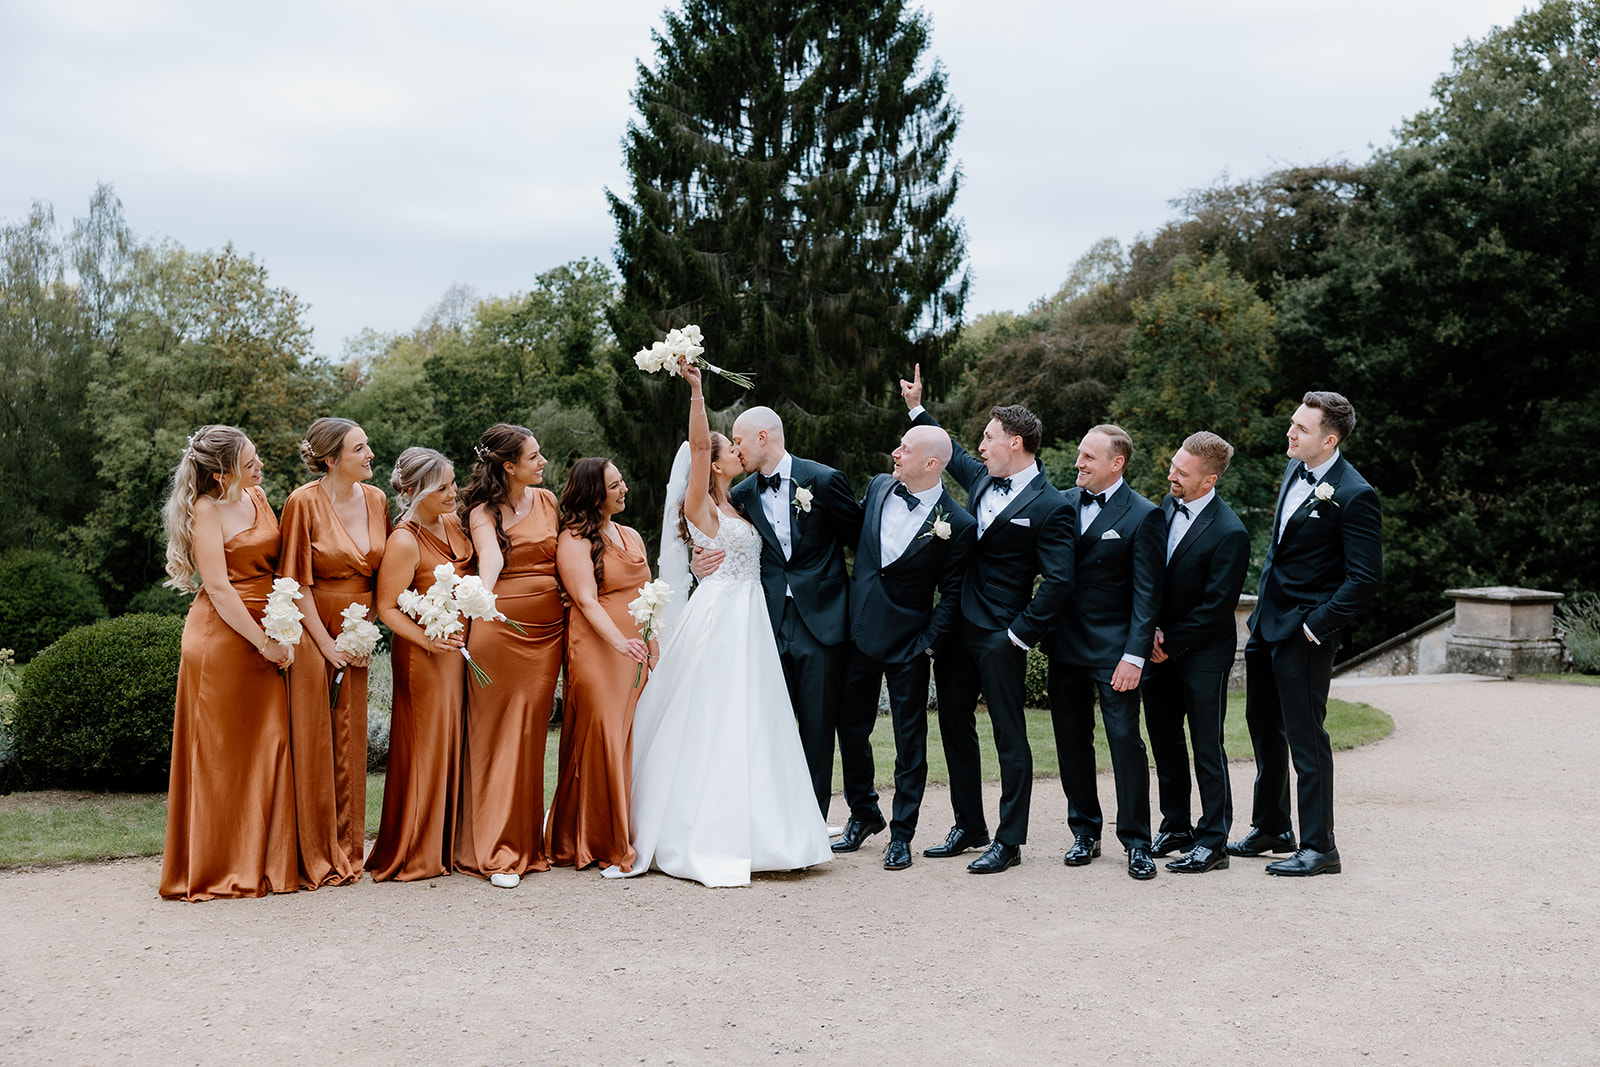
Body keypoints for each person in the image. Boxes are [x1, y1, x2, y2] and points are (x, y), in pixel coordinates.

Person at [606, 358, 834, 886]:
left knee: (758, 718)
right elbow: (699, 446)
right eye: (728, 447)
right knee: (717, 716)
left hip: (752, 618)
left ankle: (772, 831)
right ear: (711, 464)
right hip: (721, 618)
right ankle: (709, 829)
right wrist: (696, 391)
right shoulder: (701, 507)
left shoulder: (741, 504)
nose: (736, 451)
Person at [901, 365, 1076, 874]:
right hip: (956, 629)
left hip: (1002, 636)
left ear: (1015, 443)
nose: (980, 446)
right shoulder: (981, 479)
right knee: (954, 726)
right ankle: (969, 825)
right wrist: (917, 408)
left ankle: (1009, 840)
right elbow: (950, 450)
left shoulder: (1051, 505)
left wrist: (1019, 635)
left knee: (1009, 735)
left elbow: (1059, 581)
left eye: (989, 437)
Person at [1231, 391, 1382, 876]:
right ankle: (1272, 827)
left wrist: (1315, 626)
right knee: (1263, 727)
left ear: (1329, 440)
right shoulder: (1294, 469)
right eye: (1293, 423)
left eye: (1301, 428)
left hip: (1305, 633)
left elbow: (1364, 579)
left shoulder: (1355, 494)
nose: (1290, 433)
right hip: (1265, 624)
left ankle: (1320, 847)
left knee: (1305, 737)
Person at [159, 425, 298, 900]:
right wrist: (264, 643)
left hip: (267, 627)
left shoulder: (257, 496)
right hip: (223, 637)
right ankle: (218, 864)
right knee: (221, 755)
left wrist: (285, 624)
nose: (260, 467)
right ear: (221, 474)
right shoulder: (206, 509)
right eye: (249, 462)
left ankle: (265, 861)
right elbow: (217, 588)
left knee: (270, 742)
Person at [834, 424, 977, 870]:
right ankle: (863, 813)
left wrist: (927, 645)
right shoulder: (879, 487)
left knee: (909, 741)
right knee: (851, 729)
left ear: (931, 463)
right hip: (859, 634)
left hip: (909, 645)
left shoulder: (958, 523)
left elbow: (951, 595)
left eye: (905, 449)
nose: (895, 453)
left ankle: (902, 834)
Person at [723, 405, 864, 818]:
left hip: (822, 621)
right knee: (771, 724)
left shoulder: (824, 480)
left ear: (762, 437)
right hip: (766, 621)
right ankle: (775, 819)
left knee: (818, 728)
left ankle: (811, 823)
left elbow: (861, 544)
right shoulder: (742, 495)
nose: (736, 449)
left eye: (739, 440)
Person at [1047, 424, 1166, 880]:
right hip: (1065, 647)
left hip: (1115, 652)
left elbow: (1147, 594)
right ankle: (1084, 832)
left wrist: (1134, 656)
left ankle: (1137, 841)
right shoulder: (1061, 502)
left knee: (1124, 743)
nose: (1078, 462)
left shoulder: (1144, 514)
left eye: (1088, 457)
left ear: (1117, 463)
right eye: (1079, 454)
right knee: (1071, 741)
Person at [278, 417, 388, 888]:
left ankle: (348, 847)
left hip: (358, 630)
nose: (369, 455)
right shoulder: (302, 502)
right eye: (359, 448)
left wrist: (364, 633)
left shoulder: (377, 499)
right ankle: (314, 851)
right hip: (312, 630)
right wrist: (325, 644)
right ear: (330, 458)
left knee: (350, 739)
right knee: (314, 737)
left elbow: (382, 575)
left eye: (367, 446)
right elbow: (293, 580)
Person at [455, 424, 562, 889]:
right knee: (496, 736)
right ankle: (496, 851)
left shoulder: (549, 501)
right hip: (500, 632)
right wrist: (482, 597)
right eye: (534, 457)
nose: (542, 462)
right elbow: (490, 560)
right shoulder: (484, 511)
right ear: (508, 466)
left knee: (530, 737)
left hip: (548, 635)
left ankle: (526, 843)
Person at [1143, 432, 1251, 874]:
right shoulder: (1166, 506)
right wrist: (1149, 633)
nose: (1171, 475)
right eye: (1173, 465)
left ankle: (1213, 842)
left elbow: (1216, 607)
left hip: (1203, 654)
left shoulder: (1231, 532)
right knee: (1165, 742)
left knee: (1207, 747)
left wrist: (1169, 644)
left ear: (1209, 480)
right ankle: (1176, 827)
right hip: (1156, 649)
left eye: (1182, 472)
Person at [366, 447, 471, 882]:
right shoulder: (405, 540)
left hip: (457, 650)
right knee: (426, 744)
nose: (453, 493)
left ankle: (447, 843)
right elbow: (386, 607)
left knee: (452, 739)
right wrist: (429, 639)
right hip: (424, 654)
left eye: (452, 483)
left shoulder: (453, 522)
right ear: (414, 491)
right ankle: (418, 849)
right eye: (442, 487)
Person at [549, 457, 653, 873]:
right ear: (593, 494)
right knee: (604, 734)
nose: (624, 488)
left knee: (630, 735)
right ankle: (604, 841)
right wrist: (620, 642)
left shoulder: (630, 535)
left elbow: (648, 595)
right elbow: (585, 600)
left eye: (622, 481)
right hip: (597, 644)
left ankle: (616, 830)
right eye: (614, 485)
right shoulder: (574, 539)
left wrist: (652, 644)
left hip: (636, 647)